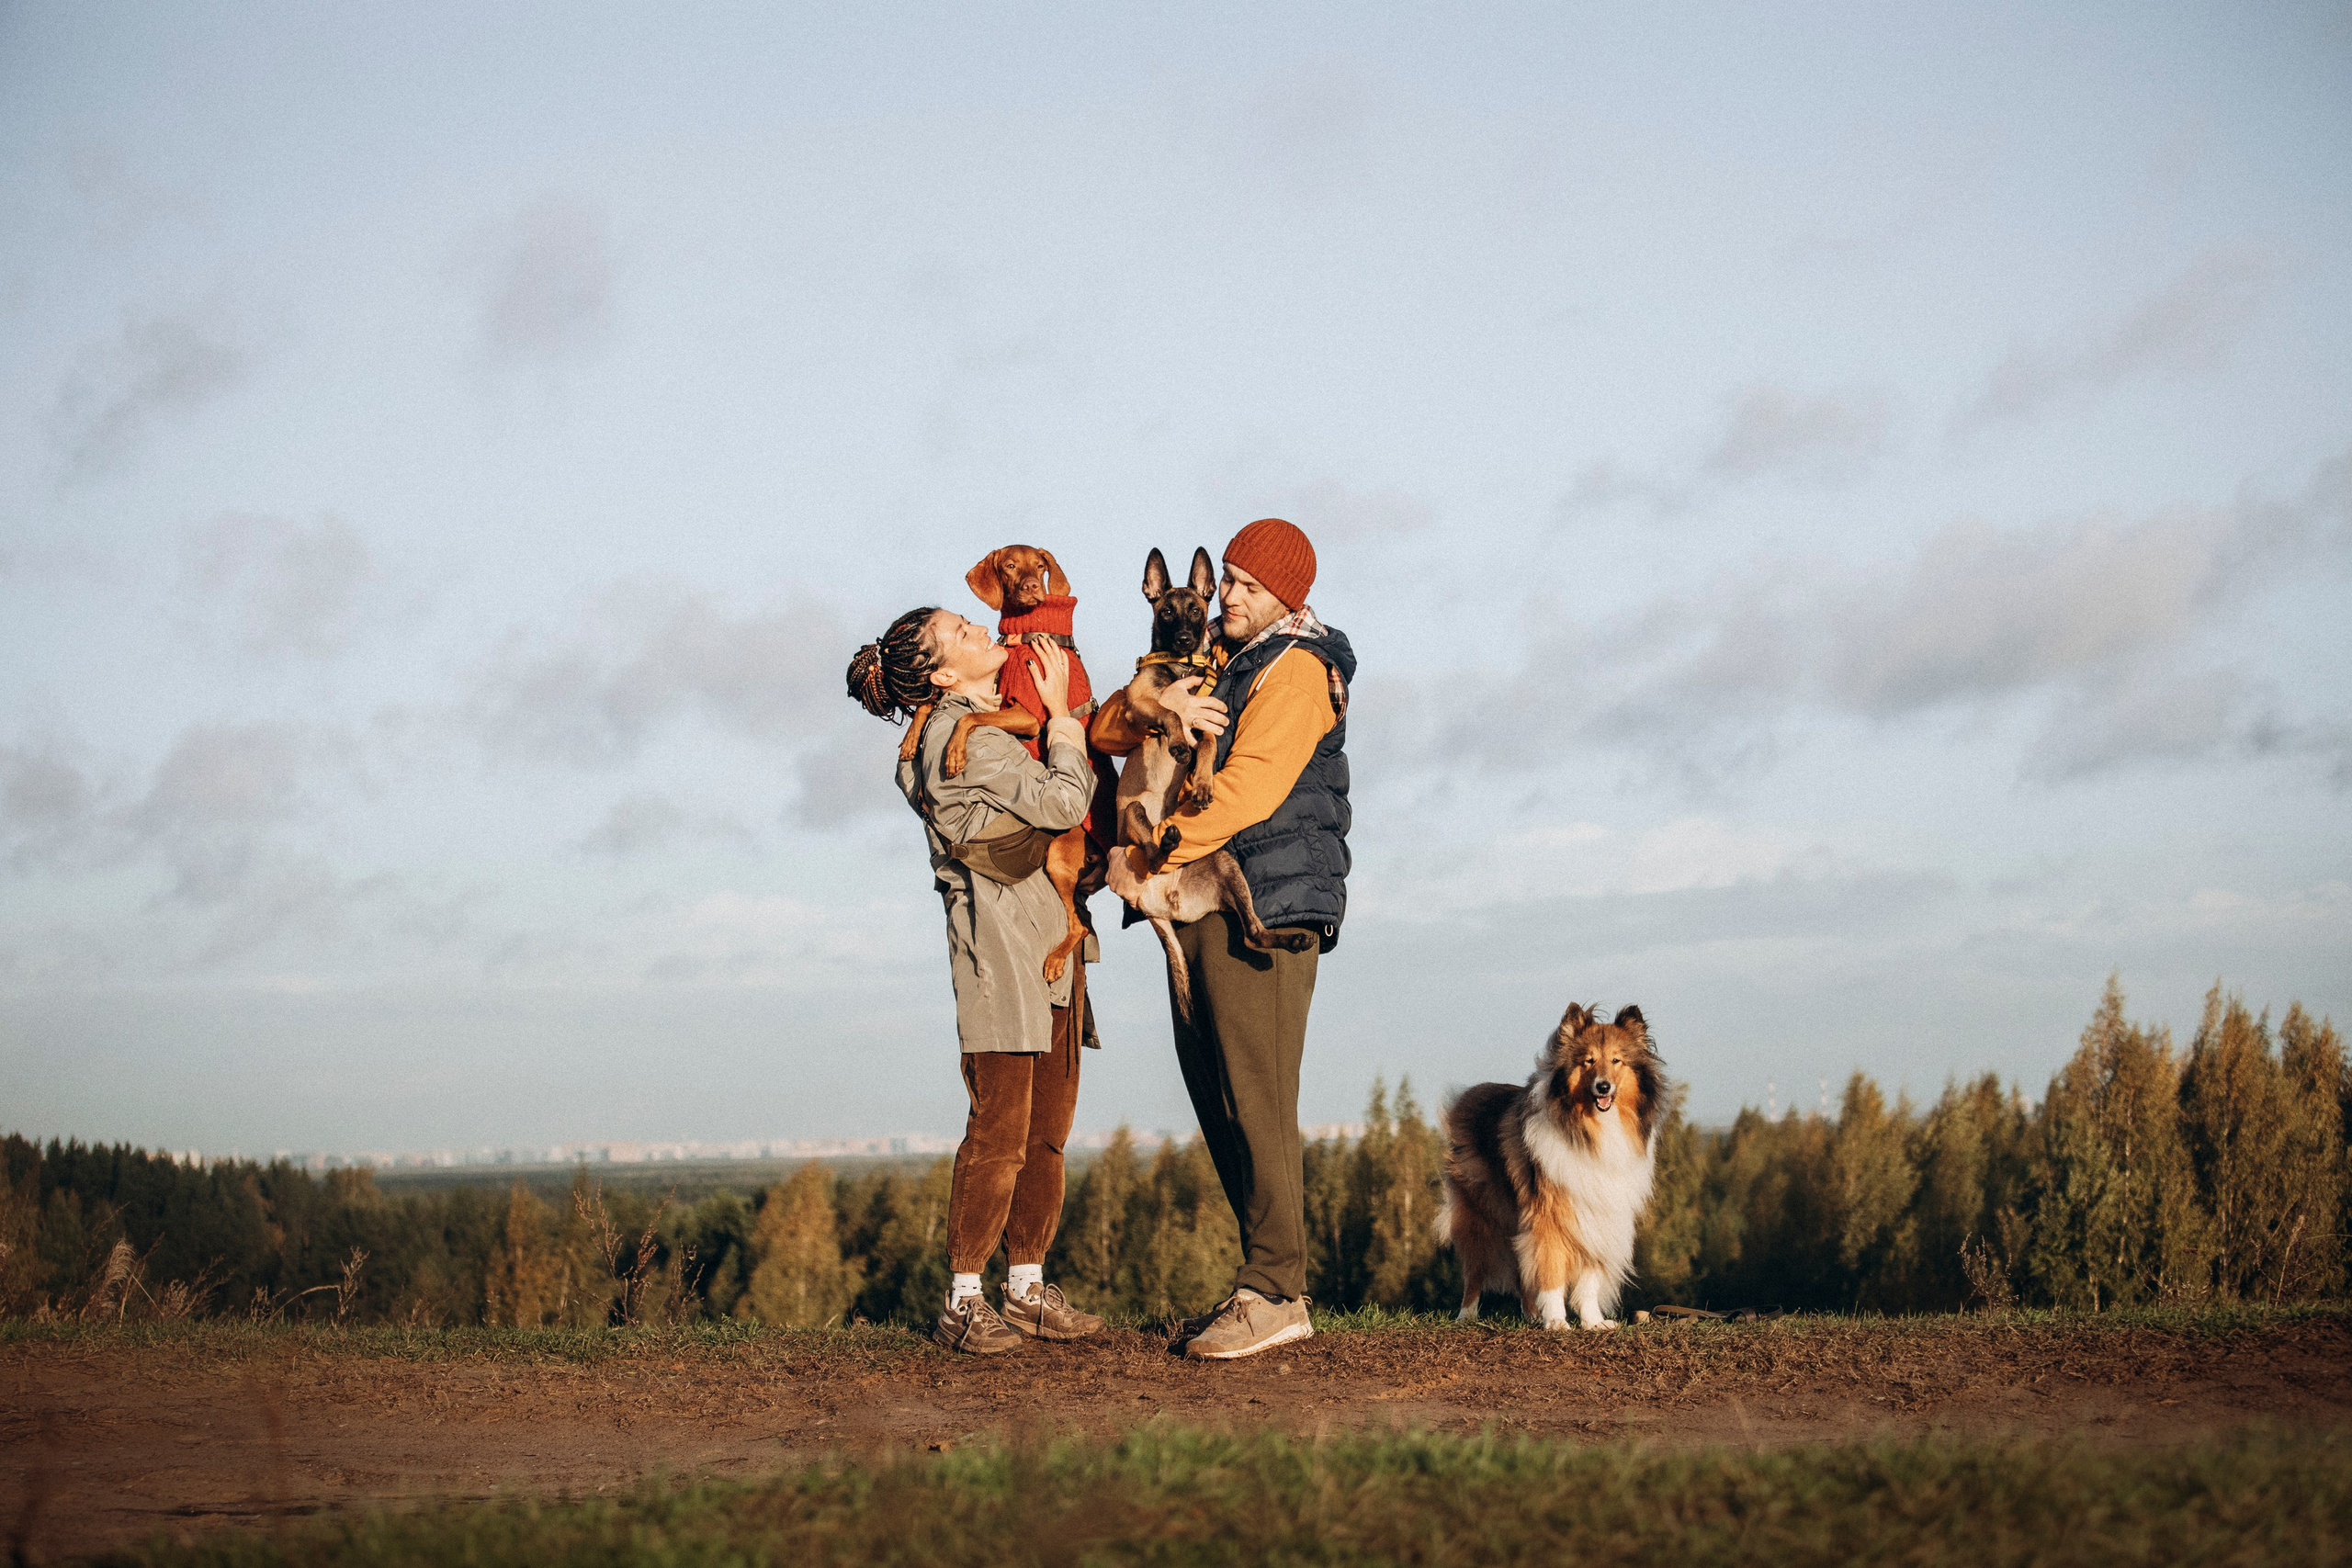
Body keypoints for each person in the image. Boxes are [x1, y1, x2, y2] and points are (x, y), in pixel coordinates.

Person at [1094, 517, 1352, 1359]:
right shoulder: (1229, 665)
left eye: (1242, 584)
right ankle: (1264, 1279)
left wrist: (1151, 852)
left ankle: (1277, 1289)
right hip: (1205, 899)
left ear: (1286, 593)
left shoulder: (1298, 668)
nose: (1227, 596)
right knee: (1218, 1097)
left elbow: (1245, 787)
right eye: (1227, 580)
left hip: (1267, 909)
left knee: (1257, 1099)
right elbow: (1116, 728)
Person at [846, 606, 1107, 1355]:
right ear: (940, 674)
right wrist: (1061, 717)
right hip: (1002, 959)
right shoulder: (968, 740)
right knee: (1000, 1134)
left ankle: (1024, 1288)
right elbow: (1064, 802)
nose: (983, 631)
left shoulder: (953, 729)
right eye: (964, 633)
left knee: (1046, 1135)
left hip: (1044, 947)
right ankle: (964, 1298)